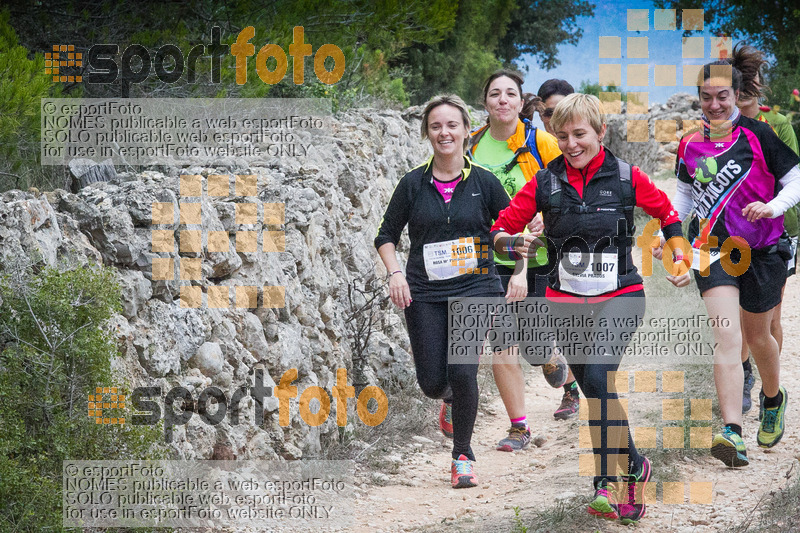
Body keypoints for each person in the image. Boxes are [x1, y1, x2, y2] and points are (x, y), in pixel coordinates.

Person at [491, 93, 686, 524]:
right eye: (561, 136)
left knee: (597, 377)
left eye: (579, 134)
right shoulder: (544, 182)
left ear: (601, 132)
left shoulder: (627, 177)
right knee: (598, 391)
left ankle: (604, 483)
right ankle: (633, 466)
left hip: (620, 296)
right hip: (566, 303)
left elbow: (668, 214)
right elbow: (500, 228)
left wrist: (679, 256)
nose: (570, 144)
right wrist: (513, 243)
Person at [375, 94, 521, 489]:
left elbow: (509, 230)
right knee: (432, 382)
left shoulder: (484, 182)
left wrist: (520, 264)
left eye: (452, 125)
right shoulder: (412, 183)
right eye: (436, 125)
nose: (444, 132)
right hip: (424, 290)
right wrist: (394, 274)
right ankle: (450, 399)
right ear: (427, 132)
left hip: (477, 286)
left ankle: (462, 457)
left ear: (465, 132)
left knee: (462, 368)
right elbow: (386, 236)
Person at [667, 59, 800, 468]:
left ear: (736, 95)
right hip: (714, 250)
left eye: (722, 96)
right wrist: (670, 237)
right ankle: (732, 432)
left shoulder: (759, 134)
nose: (714, 104)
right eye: (706, 97)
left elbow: (795, 178)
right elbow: (684, 198)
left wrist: (773, 205)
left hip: (762, 250)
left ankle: (773, 398)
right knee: (726, 337)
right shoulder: (690, 144)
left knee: (758, 336)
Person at [465, 70, 577, 455]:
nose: (502, 100)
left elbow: (572, 182)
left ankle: (550, 356)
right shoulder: (472, 145)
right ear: (485, 103)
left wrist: (548, 214)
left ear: (519, 101)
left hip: (539, 255)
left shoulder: (542, 142)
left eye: (509, 93)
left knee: (531, 342)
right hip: (488, 258)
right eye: (494, 93)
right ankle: (519, 427)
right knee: (500, 340)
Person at [730, 43, 800, 416]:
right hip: (730, 237)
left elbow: (791, 179)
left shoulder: (778, 125)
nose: (742, 92)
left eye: (749, 83)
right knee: (738, 315)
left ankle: (769, 387)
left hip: (777, 234)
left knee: (769, 317)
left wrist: (769, 206)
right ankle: (743, 380)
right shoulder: (716, 130)